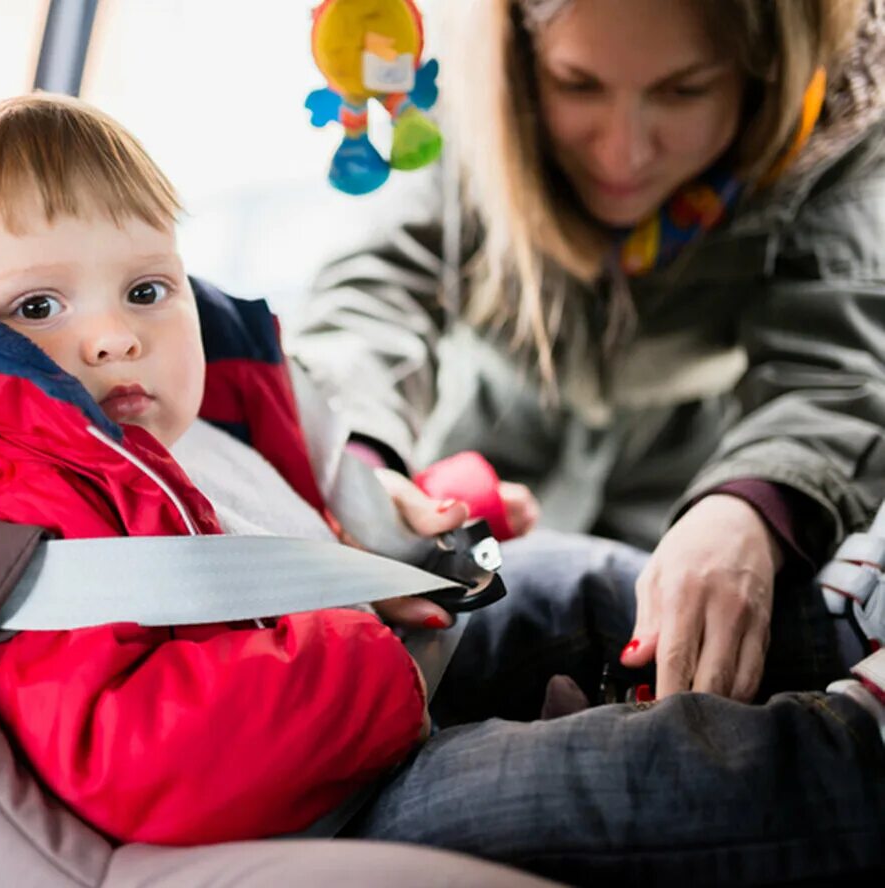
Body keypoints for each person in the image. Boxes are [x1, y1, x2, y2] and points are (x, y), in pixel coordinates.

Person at [0, 93, 885, 883]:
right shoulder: (34, 522)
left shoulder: (191, 440)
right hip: (326, 810)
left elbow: (291, 537)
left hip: (370, 693)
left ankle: (836, 619)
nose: (112, 333)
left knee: (567, 581)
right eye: (39, 305)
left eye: (147, 289)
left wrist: (431, 516)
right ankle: (852, 753)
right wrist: (356, 637)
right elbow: (123, 760)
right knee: (639, 781)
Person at [293, 0, 885, 704]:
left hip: (687, 490)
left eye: (684, 90)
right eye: (577, 85)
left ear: (768, 70)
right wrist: (354, 466)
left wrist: (750, 508)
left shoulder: (840, 134)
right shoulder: (453, 93)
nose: (623, 153)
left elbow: (831, 374)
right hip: (472, 456)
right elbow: (372, 295)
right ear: (516, 55)